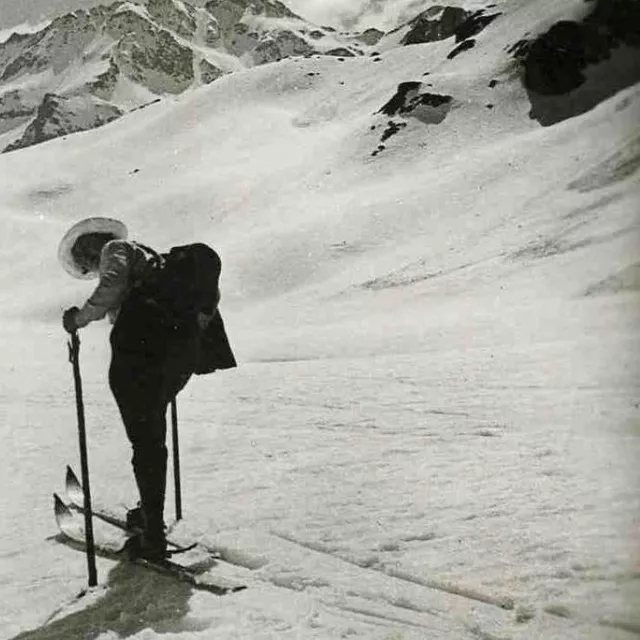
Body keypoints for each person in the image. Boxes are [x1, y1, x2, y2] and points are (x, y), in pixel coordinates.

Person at [59, 217, 236, 561]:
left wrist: (78, 319)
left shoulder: (116, 249)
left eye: (82, 255)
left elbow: (111, 284)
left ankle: (152, 535)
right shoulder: (154, 260)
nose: (84, 264)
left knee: (145, 439)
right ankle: (149, 514)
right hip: (181, 350)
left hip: (142, 348)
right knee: (152, 433)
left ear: (93, 241)